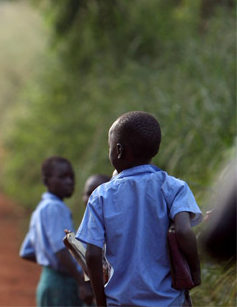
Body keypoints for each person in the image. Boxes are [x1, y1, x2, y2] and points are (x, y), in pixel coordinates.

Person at [77, 111, 202, 306]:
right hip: (168, 301)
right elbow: (184, 231)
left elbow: (92, 254)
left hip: (121, 301)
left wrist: (101, 302)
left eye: (109, 147)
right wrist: (195, 272)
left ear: (118, 150)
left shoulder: (101, 195)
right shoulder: (174, 187)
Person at [19, 156, 91, 306]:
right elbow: (62, 250)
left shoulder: (40, 209)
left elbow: (27, 251)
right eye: (63, 177)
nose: (69, 181)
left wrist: (50, 264)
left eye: (71, 177)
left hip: (49, 280)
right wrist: (81, 282)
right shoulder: (56, 208)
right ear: (47, 180)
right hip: (62, 285)